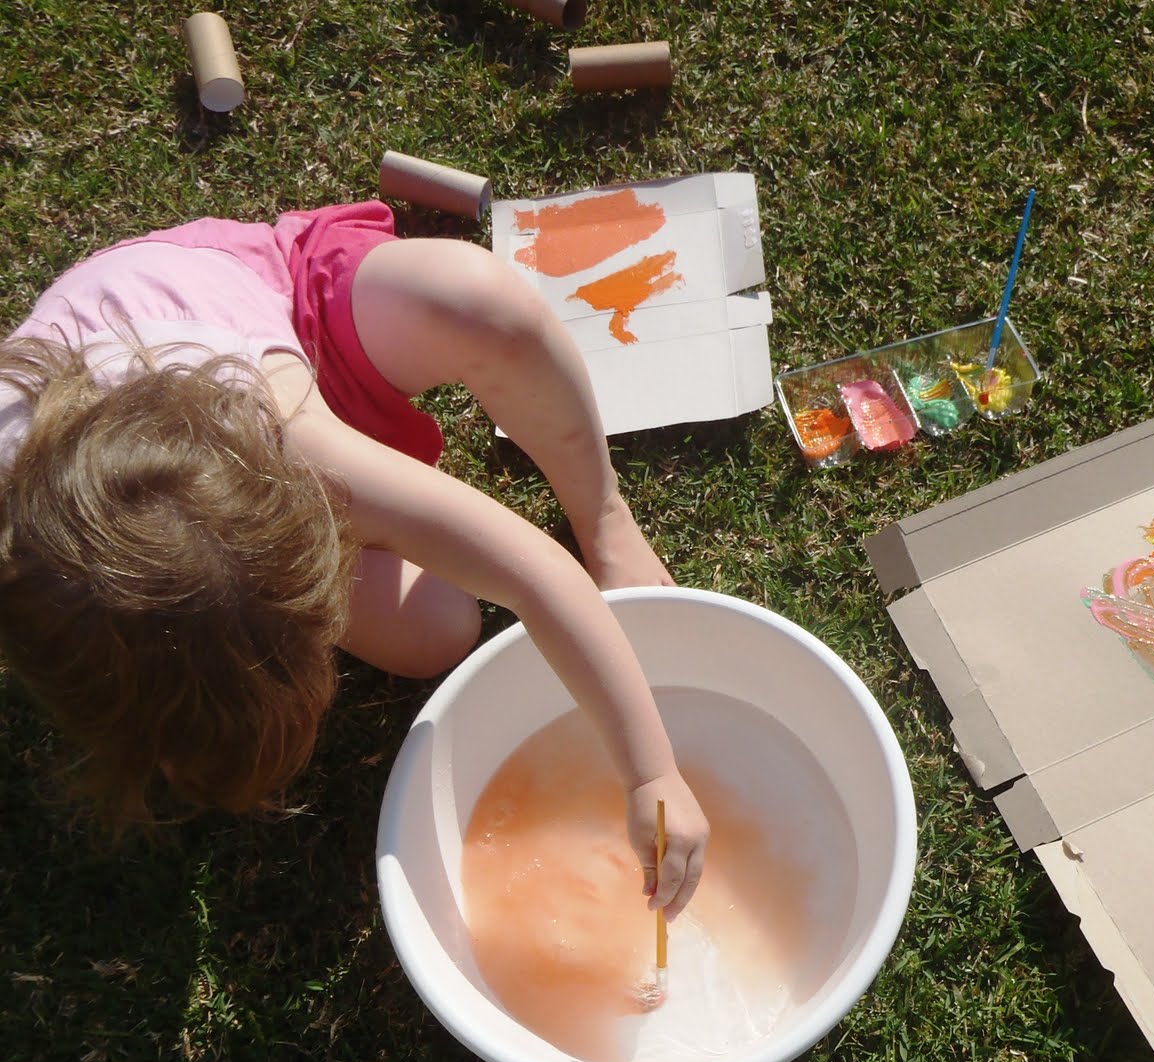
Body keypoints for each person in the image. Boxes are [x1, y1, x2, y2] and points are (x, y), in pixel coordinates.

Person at [0, 201, 708, 918]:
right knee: (436, 631)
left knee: (486, 306)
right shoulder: (25, 560)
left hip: (270, 306)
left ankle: (603, 515)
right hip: (170, 443)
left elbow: (532, 569)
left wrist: (651, 771)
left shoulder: (295, 442)